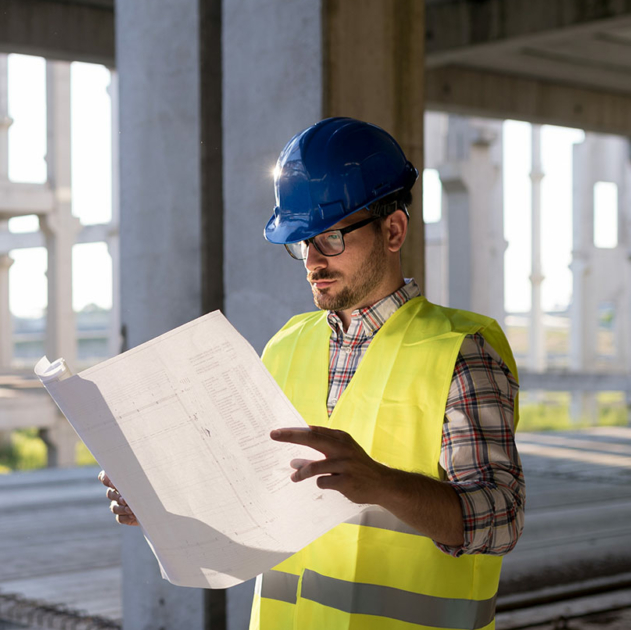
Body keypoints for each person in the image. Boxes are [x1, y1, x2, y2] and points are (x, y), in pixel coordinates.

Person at [100, 117, 524, 629]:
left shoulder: (460, 352)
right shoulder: (287, 344)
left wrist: (384, 484)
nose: (312, 262)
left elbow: (501, 519)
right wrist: (165, 505)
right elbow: (252, 499)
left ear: (393, 230)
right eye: (301, 243)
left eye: (331, 238)